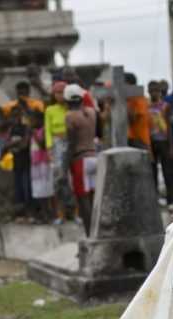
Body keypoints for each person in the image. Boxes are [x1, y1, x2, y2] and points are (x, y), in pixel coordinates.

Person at [64, 84, 97, 236]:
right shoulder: (91, 112)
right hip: (94, 157)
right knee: (94, 197)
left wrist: (66, 163)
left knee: (83, 200)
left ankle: (90, 234)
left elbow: (71, 142)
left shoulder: (70, 116)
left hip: (80, 159)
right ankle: (98, 231)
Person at [44, 81, 74, 225]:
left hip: (70, 143)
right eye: (57, 93)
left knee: (72, 180)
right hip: (56, 145)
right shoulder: (50, 110)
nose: (60, 96)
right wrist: (49, 149)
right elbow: (48, 131)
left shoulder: (71, 108)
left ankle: (76, 213)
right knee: (58, 180)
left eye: (62, 92)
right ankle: (60, 214)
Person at [149, 81, 173, 207]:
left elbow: (169, 127)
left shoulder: (165, 106)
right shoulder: (147, 107)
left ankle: (171, 199)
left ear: (160, 92)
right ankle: (155, 200)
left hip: (164, 142)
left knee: (168, 171)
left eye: (156, 90)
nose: (154, 93)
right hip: (152, 142)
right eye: (151, 90)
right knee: (153, 172)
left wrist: (171, 147)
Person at [7, 106, 35, 221]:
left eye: (17, 115)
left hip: (26, 162)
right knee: (19, 189)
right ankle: (21, 214)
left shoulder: (25, 128)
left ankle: (31, 213)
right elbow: (6, 145)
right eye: (13, 116)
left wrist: (15, 143)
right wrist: (17, 143)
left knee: (27, 188)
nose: (15, 118)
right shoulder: (12, 130)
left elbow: (25, 144)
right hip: (16, 163)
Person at [125, 73, 151, 151]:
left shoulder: (139, 98)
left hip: (139, 139)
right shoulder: (128, 99)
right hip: (129, 139)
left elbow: (133, 119)